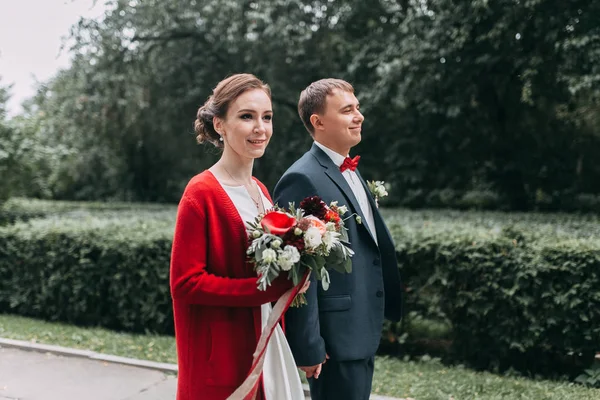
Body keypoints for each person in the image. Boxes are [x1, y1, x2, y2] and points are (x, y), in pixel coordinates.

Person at [170, 73, 308, 400]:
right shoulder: (200, 192)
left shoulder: (260, 190)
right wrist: (260, 291)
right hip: (223, 353)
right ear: (219, 124)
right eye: (247, 117)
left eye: (267, 117)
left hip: (265, 339)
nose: (260, 127)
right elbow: (185, 283)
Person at [273, 78, 403, 400]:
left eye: (357, 108)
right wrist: (308, 345)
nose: (359, 116)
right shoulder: (302, 177)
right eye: (347, 110)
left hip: (361, 325)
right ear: (317, 122)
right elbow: (300, 268)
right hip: (334, 340)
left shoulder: (351, 168)